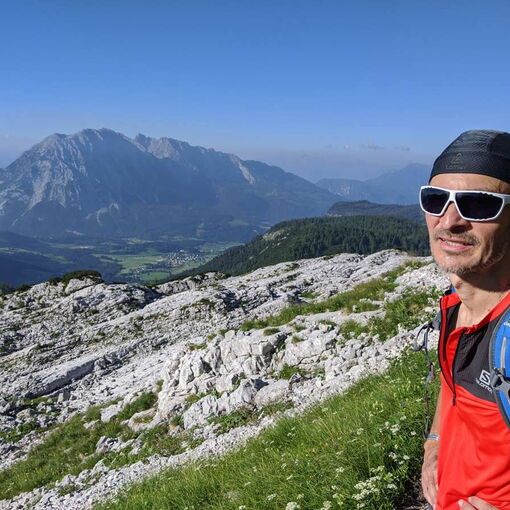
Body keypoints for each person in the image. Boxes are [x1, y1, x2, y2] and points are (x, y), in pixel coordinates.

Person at [419, 129, 510, 510]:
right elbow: (451, 385)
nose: (450, 220)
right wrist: (435, 442)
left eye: (479, 204)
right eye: (435, 200)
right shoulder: (455, 306)